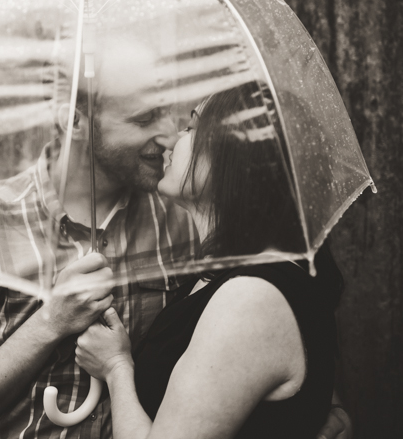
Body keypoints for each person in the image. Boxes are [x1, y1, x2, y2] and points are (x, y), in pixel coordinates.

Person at [0, 41, 353, 438]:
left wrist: (321, 410)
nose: (166, 135)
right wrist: (49, 324)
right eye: (144, 118)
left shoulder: (189, 219)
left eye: (173, 117)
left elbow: (266, 339)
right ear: (74, 119)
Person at [75, 82, 349, 439]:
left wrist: (116, 368)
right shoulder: (226, 275)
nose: (172, 140)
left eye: (191, 128)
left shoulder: (251, 298)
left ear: (233, 157)